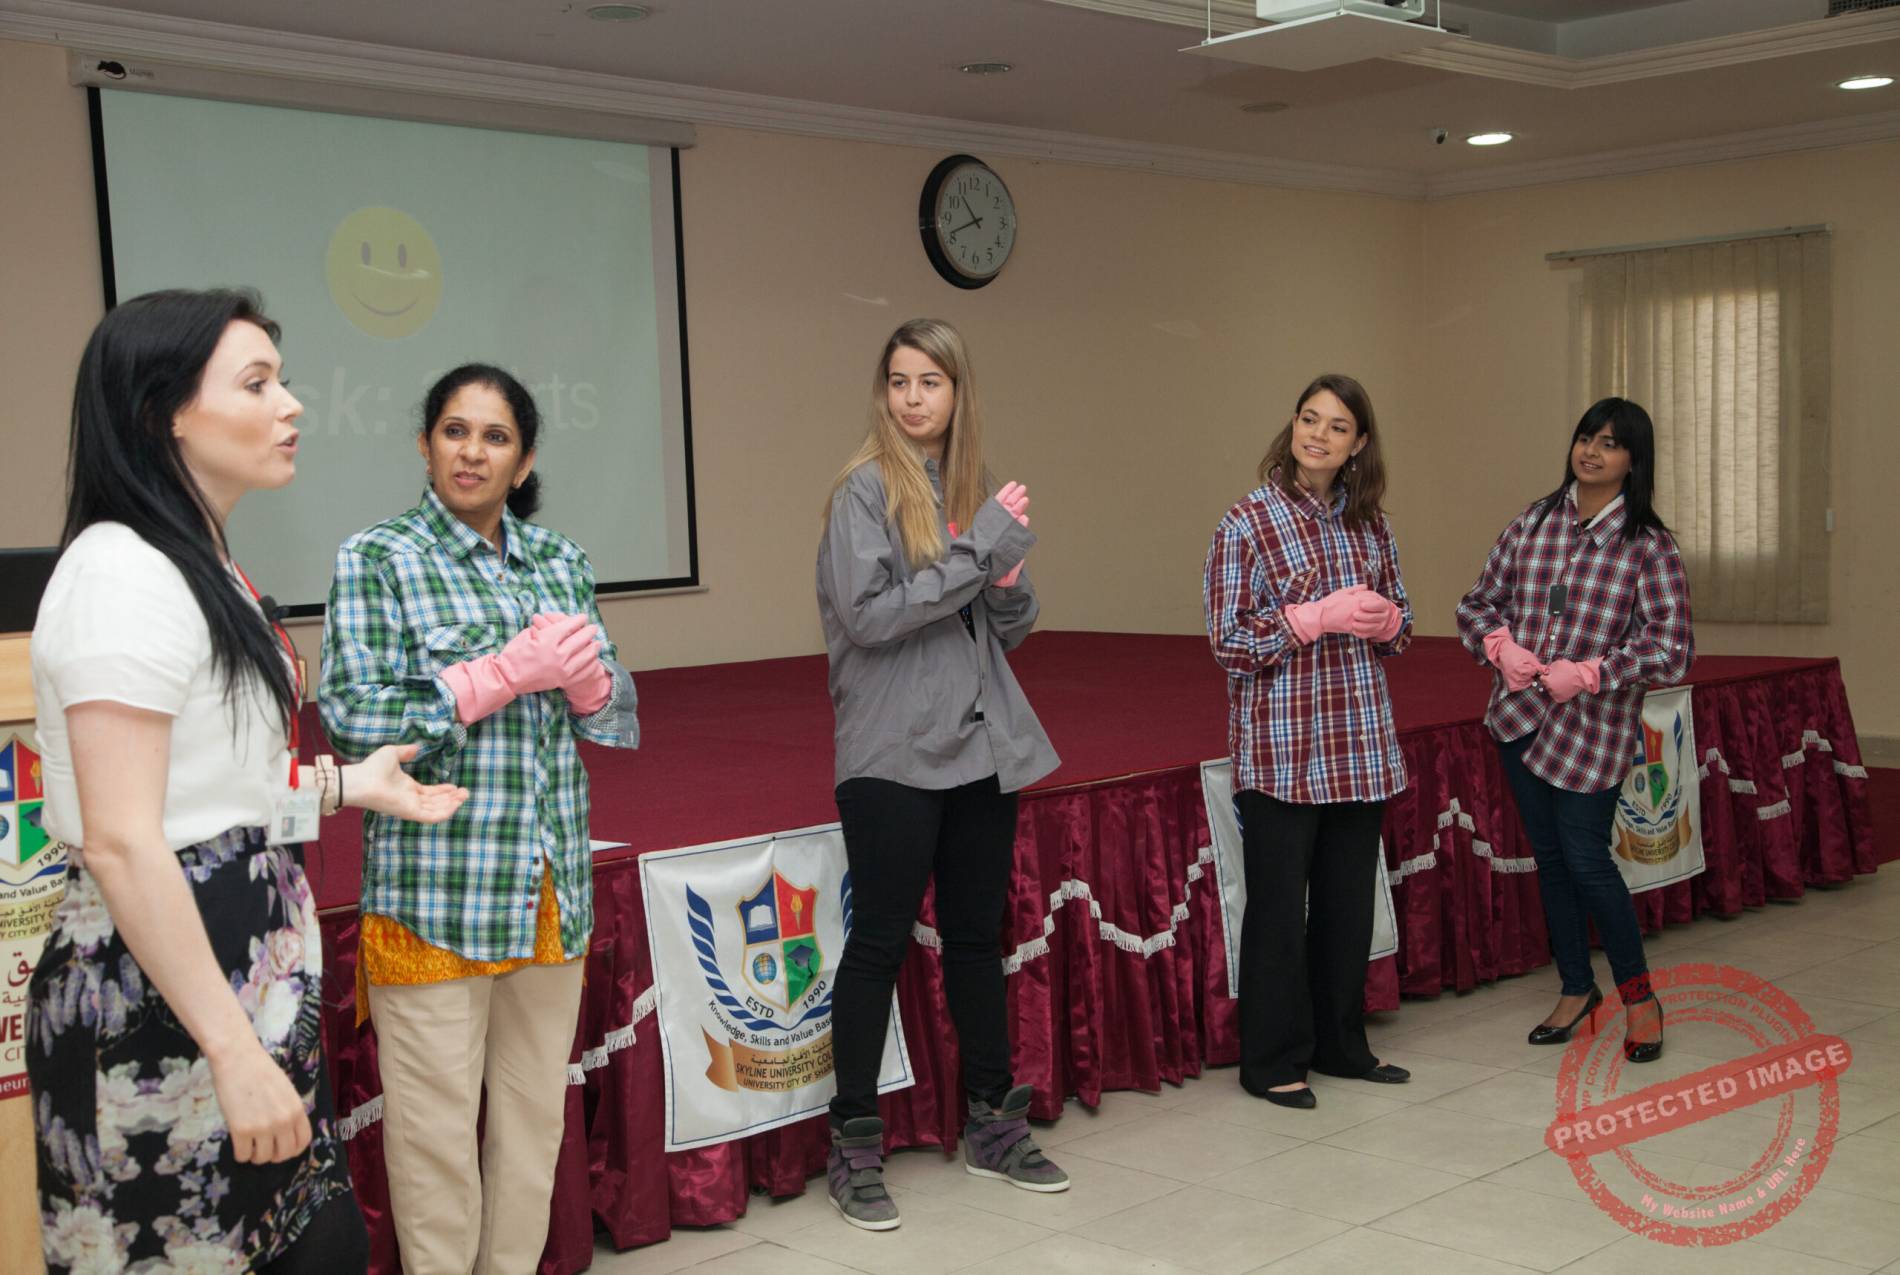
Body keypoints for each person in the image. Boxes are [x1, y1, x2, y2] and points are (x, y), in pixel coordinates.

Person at [27, 288, 469, 1274]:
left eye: (283, 379)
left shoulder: (198, 564)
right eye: (257, 383)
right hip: (160, 1003)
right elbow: (124, 838)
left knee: (311, 1246)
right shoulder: (120, 575)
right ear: (162, 413)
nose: (292, 404)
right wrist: (231, 1050)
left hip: (242, 976)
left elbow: (210, 793)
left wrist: (348, 786)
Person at [318, 364, 638, 1274]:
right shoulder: (379, 556)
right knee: (435, 1143)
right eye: (455, 431)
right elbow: (353, 718)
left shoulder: (560, 560)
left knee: (534, 1132)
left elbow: (612, 716)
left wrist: (593, 685)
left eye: (496, 437)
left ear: (523, 460)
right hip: (436, 891)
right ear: (425, 445)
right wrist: (489, 678)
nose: (472, 451)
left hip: (549, 888)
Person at [815, 318, 1067, 1231]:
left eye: (931, 381)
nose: (913, 397)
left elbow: (1011, 629)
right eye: (899, 381)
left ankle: (992, 1124)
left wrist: (1006, 579)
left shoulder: (966, 489)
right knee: (878, 942)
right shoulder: (863, 490)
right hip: (892, 751)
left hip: (981, 746)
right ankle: (853, 1143)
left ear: (959, 392)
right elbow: (872, 615)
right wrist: (976, 554)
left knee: (972, 939)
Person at [1456, 397, 1692, 1063]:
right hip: (1520, 719)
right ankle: (1576, 988)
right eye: (1586, 437)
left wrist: (1592, 673)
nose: (1592, 451)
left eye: (1610, 443)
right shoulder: (1532, 523)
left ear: (1633, 460)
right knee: (1552, 859)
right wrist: (1500, 648)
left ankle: (1640, 999)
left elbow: (1671, 648)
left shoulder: (1649, 546)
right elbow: (1477, 604)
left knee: (1587, 860)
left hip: (1593, 730)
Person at [1203, 373, 1414, 1110]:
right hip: (1283, 749)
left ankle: (1340, 1045)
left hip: (1359, 742)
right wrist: (1310, 618)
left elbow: (1401, 625)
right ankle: (1270, 1062)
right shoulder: (1246, 521)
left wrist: (1389, 622)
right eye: (1308, 418)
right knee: (1277, 911)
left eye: (1336, 426)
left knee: (1347, 906)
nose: (1318, 435)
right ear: (1292, 426)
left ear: (1359, 444)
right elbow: (1228, 642)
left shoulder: (1369, 523)